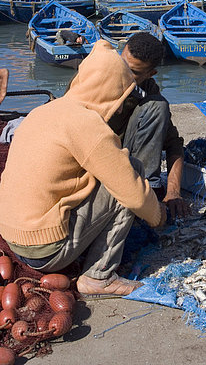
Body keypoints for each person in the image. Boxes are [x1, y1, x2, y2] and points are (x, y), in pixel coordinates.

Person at [0, 40, 167, 297]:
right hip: (44, 251)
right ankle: (99, 277)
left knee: (113, 177)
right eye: (120, 96)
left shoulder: (44, 111)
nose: (121, 107)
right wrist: (157, 216)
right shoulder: (88, 125)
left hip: (12, 235)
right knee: (128, 177)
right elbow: (133, 193)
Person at [108, 33, 188, 218]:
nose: (124, 74)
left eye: (134, 72)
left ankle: (146, 193)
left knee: (158, 105)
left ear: (150, 74)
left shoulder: (148, 90)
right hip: (94, 160)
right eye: (123, 64)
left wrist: (173, 192)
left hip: (124, 163)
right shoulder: (97, 77)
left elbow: (174, 143)